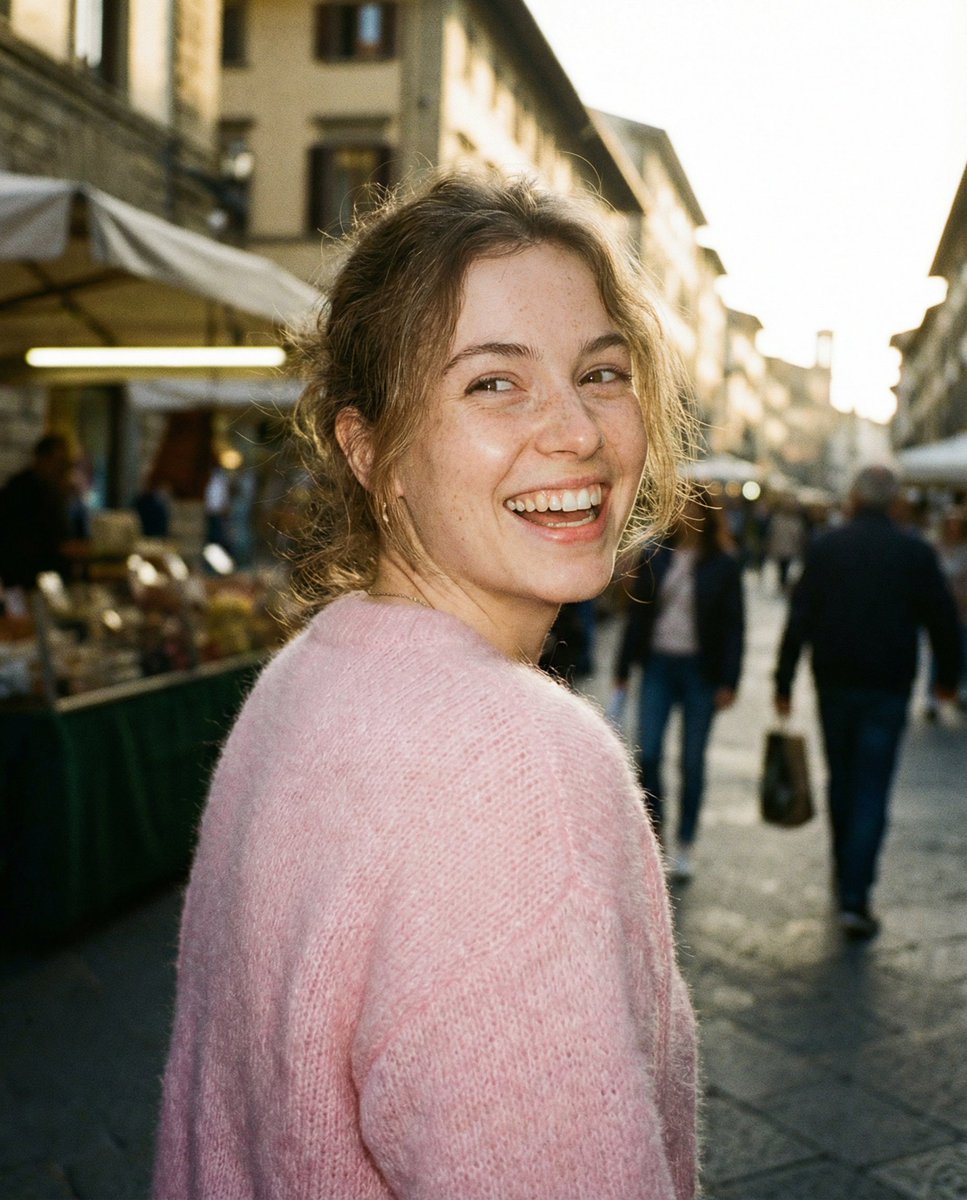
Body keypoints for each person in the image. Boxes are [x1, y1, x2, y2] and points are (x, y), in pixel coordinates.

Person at [153, 171, 699, 1199]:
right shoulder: (515, 765)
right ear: (371, 453)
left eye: (602, 372)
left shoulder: (308, 674)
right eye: (493, 383)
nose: (578, 430)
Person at [774, 465, 962, 939]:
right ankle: (855, 896)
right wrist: (948, 678)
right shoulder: (914, 551)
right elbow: (943, 620)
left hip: (835, 682)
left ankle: (845, 872)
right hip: (888, 685)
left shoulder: (828, 547)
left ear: (855, 499)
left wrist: (784, 679)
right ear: (896, 502)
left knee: (842, 780)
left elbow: (800, 615)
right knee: (872, 788)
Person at [613, 492, 745, 881]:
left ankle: (686, 841)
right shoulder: (656, 554)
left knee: (692, 761)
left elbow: (734, 626)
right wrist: (623, 666)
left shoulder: (723, 563)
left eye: (694, 509)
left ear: (707, 516)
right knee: (649, 753)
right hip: (658, 664)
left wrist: (729, 680)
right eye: (682, 508)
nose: (687, 515)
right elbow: (637, 614)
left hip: (701, 671)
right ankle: (656, 836)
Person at [0, 433, 87, 590]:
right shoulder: (21, 491)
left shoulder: (53, 491)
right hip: (26, 583)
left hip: (45, 582)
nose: (63, 469)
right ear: (41, 459)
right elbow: (32, 544)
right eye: (60, 462)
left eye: (67, 464)